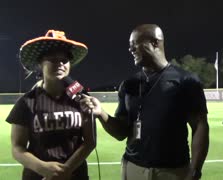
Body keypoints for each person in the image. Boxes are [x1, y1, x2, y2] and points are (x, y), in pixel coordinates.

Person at [80, 24, 209, 180]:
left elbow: (200, 126)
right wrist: (101, 113)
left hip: (172, 171)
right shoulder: (128, 84)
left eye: (135, 44)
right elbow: (121, 133)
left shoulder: (186, 80)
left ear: (154, 43)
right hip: (132, 168)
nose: (130, 49)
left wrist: (195, 170)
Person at [6, 30, 95, 180]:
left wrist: (66, 170)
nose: (60, 63)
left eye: (65, 60)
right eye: (53, 59)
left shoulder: (81, 97)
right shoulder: (26, 102)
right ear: (40, 64)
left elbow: (90, 142)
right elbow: (17, 148)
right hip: (37, 176)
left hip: (75, 175)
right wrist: (43, 168)